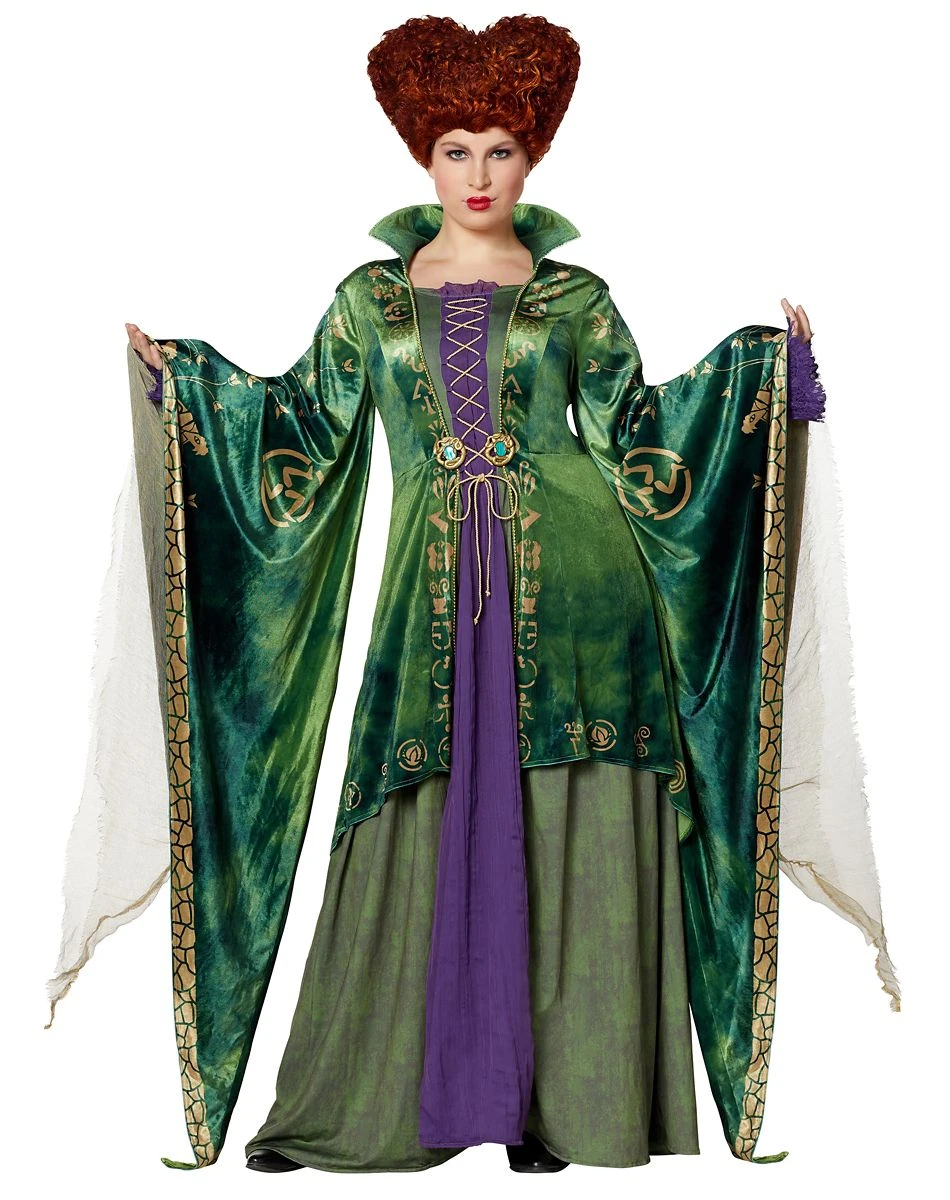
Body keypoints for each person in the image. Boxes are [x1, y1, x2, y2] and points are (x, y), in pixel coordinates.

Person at [46, 13, 900, 1176]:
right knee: (413, 809)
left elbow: (641, 436)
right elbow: (296, 429)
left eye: (501, 148)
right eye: (456, 149)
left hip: (584, 604)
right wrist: (187, 386)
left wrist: (760, 372)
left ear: (531, 153)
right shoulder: (369, 300)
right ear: (423, 153)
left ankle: (561, 1114)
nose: (480, 173)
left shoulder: (575, 299)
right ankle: (361, 1105)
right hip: (429, 602)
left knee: (565, 823)